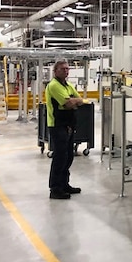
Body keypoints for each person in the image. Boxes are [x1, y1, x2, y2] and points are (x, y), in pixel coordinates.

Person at [46, 59, 86, 199]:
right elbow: (68, 103)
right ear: (55, 71)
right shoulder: (54, 85)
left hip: (68, 125)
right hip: (57, 125)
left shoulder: (68, 85)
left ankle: (64, 184)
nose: (66, 71)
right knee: (60, 157)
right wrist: (72, 102)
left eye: (67, 69)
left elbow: (79, 99)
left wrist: (73, 101)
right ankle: (55, 189)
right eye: (63, 69)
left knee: (68, 156)